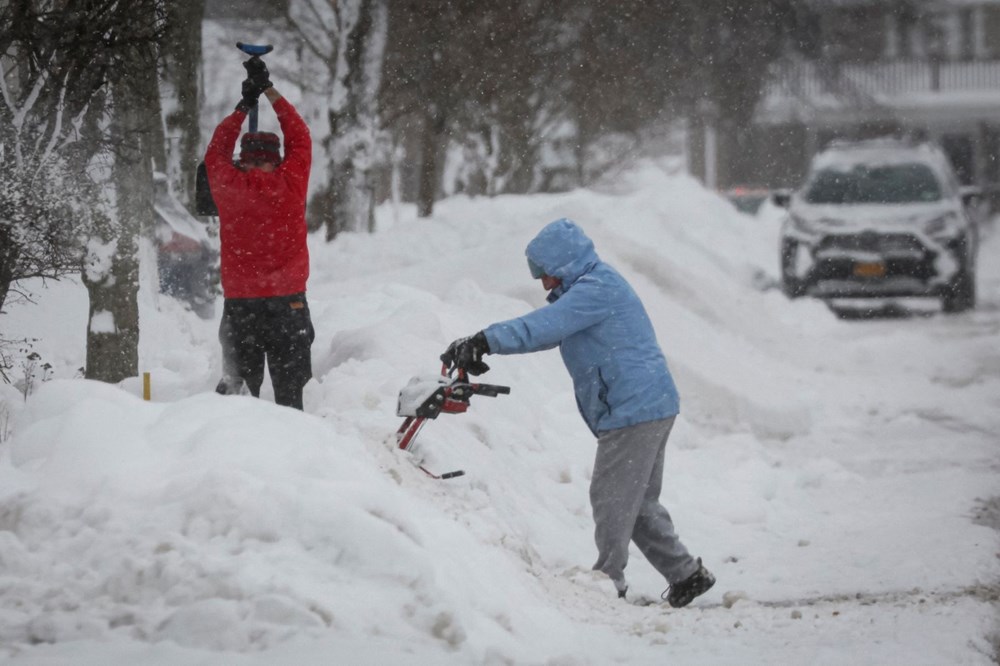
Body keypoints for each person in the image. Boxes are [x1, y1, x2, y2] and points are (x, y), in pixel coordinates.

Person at [440, 218, 714, 607]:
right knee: (636, 503)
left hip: (634, 406)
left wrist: (485, 340)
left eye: (544, 272)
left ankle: (608, 581)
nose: (543, 283)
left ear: (564, 262)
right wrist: (486, 345)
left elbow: (544, 326)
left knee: (611, 497)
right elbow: (548, 331)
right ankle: (686, 575)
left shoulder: (596, 289)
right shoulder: (591, 287)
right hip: (647, 402)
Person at [204, 56, 314, 410]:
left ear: (242, 160)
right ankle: (293, 438)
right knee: (291, 398)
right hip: (288, 303)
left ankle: (238, 441)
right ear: (277, 160)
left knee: (238, 401)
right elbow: (300, 137)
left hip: (242, 306)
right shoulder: (291, 182)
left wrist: (243, 106)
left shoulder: (229, 186)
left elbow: (215, 151)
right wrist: (268, 91)